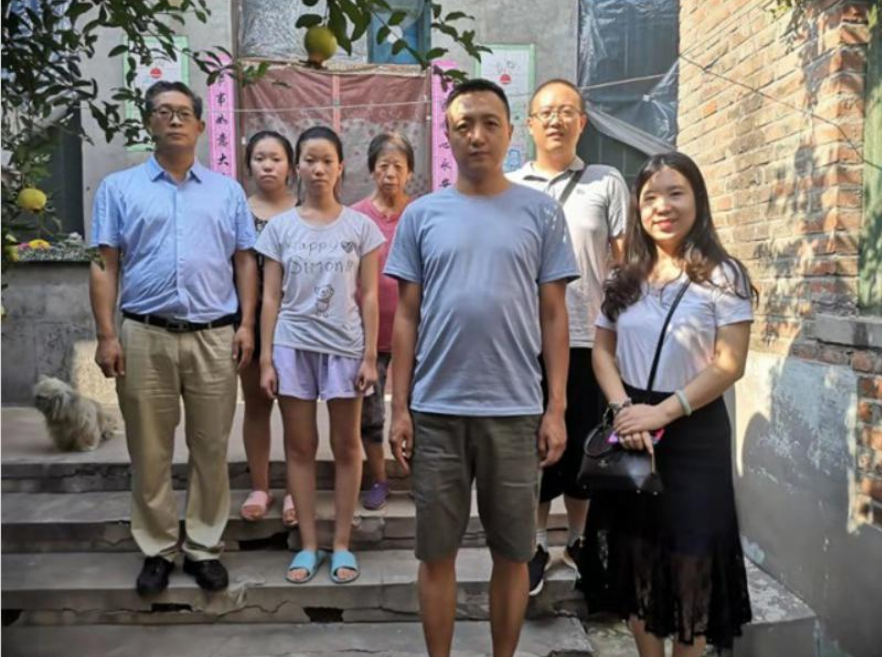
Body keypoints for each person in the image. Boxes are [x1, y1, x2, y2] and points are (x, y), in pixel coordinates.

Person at [386, 78, 580, 657]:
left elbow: (554, 315)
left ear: (510, 132)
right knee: (435, 554)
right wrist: (399, 408)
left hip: (515, 411)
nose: (477, 135)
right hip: (436, 411)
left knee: (514, 554)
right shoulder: (422, 215)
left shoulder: (541, 213)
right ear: (447, 135)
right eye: (463, 125)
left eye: (489, 123)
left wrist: (557, 407)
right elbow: (406, 318)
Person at [89, 80, 258, 595]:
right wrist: (106, 335)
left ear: (202, 126)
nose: (176, 120)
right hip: (144, 334)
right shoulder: (119, 188)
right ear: (149, 123)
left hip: (213, 336)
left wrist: (247, 324)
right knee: (149, 449)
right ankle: (158, 548)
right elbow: (104, 263)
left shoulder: (227, 192)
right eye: (164, 111)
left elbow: (245, 261)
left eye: (185, 112)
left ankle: (204, 547)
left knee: (211, 448)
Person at [587, 151, 755, 656]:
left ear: (697, 199)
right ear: (637, 209)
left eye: (675, 193)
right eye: (650, 197)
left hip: (693, 433)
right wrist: (624, 409)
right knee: (637, 558)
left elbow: (729, 364)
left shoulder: (723, 275)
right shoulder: (624, 278)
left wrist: (661, 413)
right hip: (631, 429)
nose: (662, 206)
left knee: (691, 565)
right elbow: (602, 351)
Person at [508, 79, 628, 595]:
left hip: (589, 339)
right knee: (533, 446)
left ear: (582, 122)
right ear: (530, 125)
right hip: (525, 342)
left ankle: (578, 541)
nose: (556, 121)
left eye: (566, 112)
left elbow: (623, 260)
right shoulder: (511, 188)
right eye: (546, 113)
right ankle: (536, 544)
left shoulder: (606, 181)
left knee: (584, 445)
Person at [256, 125, 384, 585]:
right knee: (300, 448)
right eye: (310, 160)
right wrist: (266, 359)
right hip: (292, 346)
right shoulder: (280, 228)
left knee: (347, 447)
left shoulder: (361, 228)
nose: (318, 168)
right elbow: (270, 297)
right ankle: (308, 545)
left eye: (327, 160)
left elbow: (370, 296)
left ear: (340, 167)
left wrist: (369, 357)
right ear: (297, 167)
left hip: (345, 349)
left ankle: (343, 543)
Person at [350, 132, 415, 511]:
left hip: (417, 336)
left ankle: (419, 478)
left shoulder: (420, 213)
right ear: (372, 170)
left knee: (418, 410)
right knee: (370, 416)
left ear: (409, 173)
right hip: (367, 337)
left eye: (398, 167)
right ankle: (378, 479)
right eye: (383, 166)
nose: (390, 174)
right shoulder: (356, 216)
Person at [238, 130, 298, 524]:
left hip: (295, 324)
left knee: (296, 411)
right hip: (249, 321)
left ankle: (296, 489)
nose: (268, 166)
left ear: (290, 166)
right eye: (260, 158)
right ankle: (260, 486)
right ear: (249, 166)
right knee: (256, 406)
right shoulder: (238, 211)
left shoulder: (305, 210)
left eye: (276, 158)